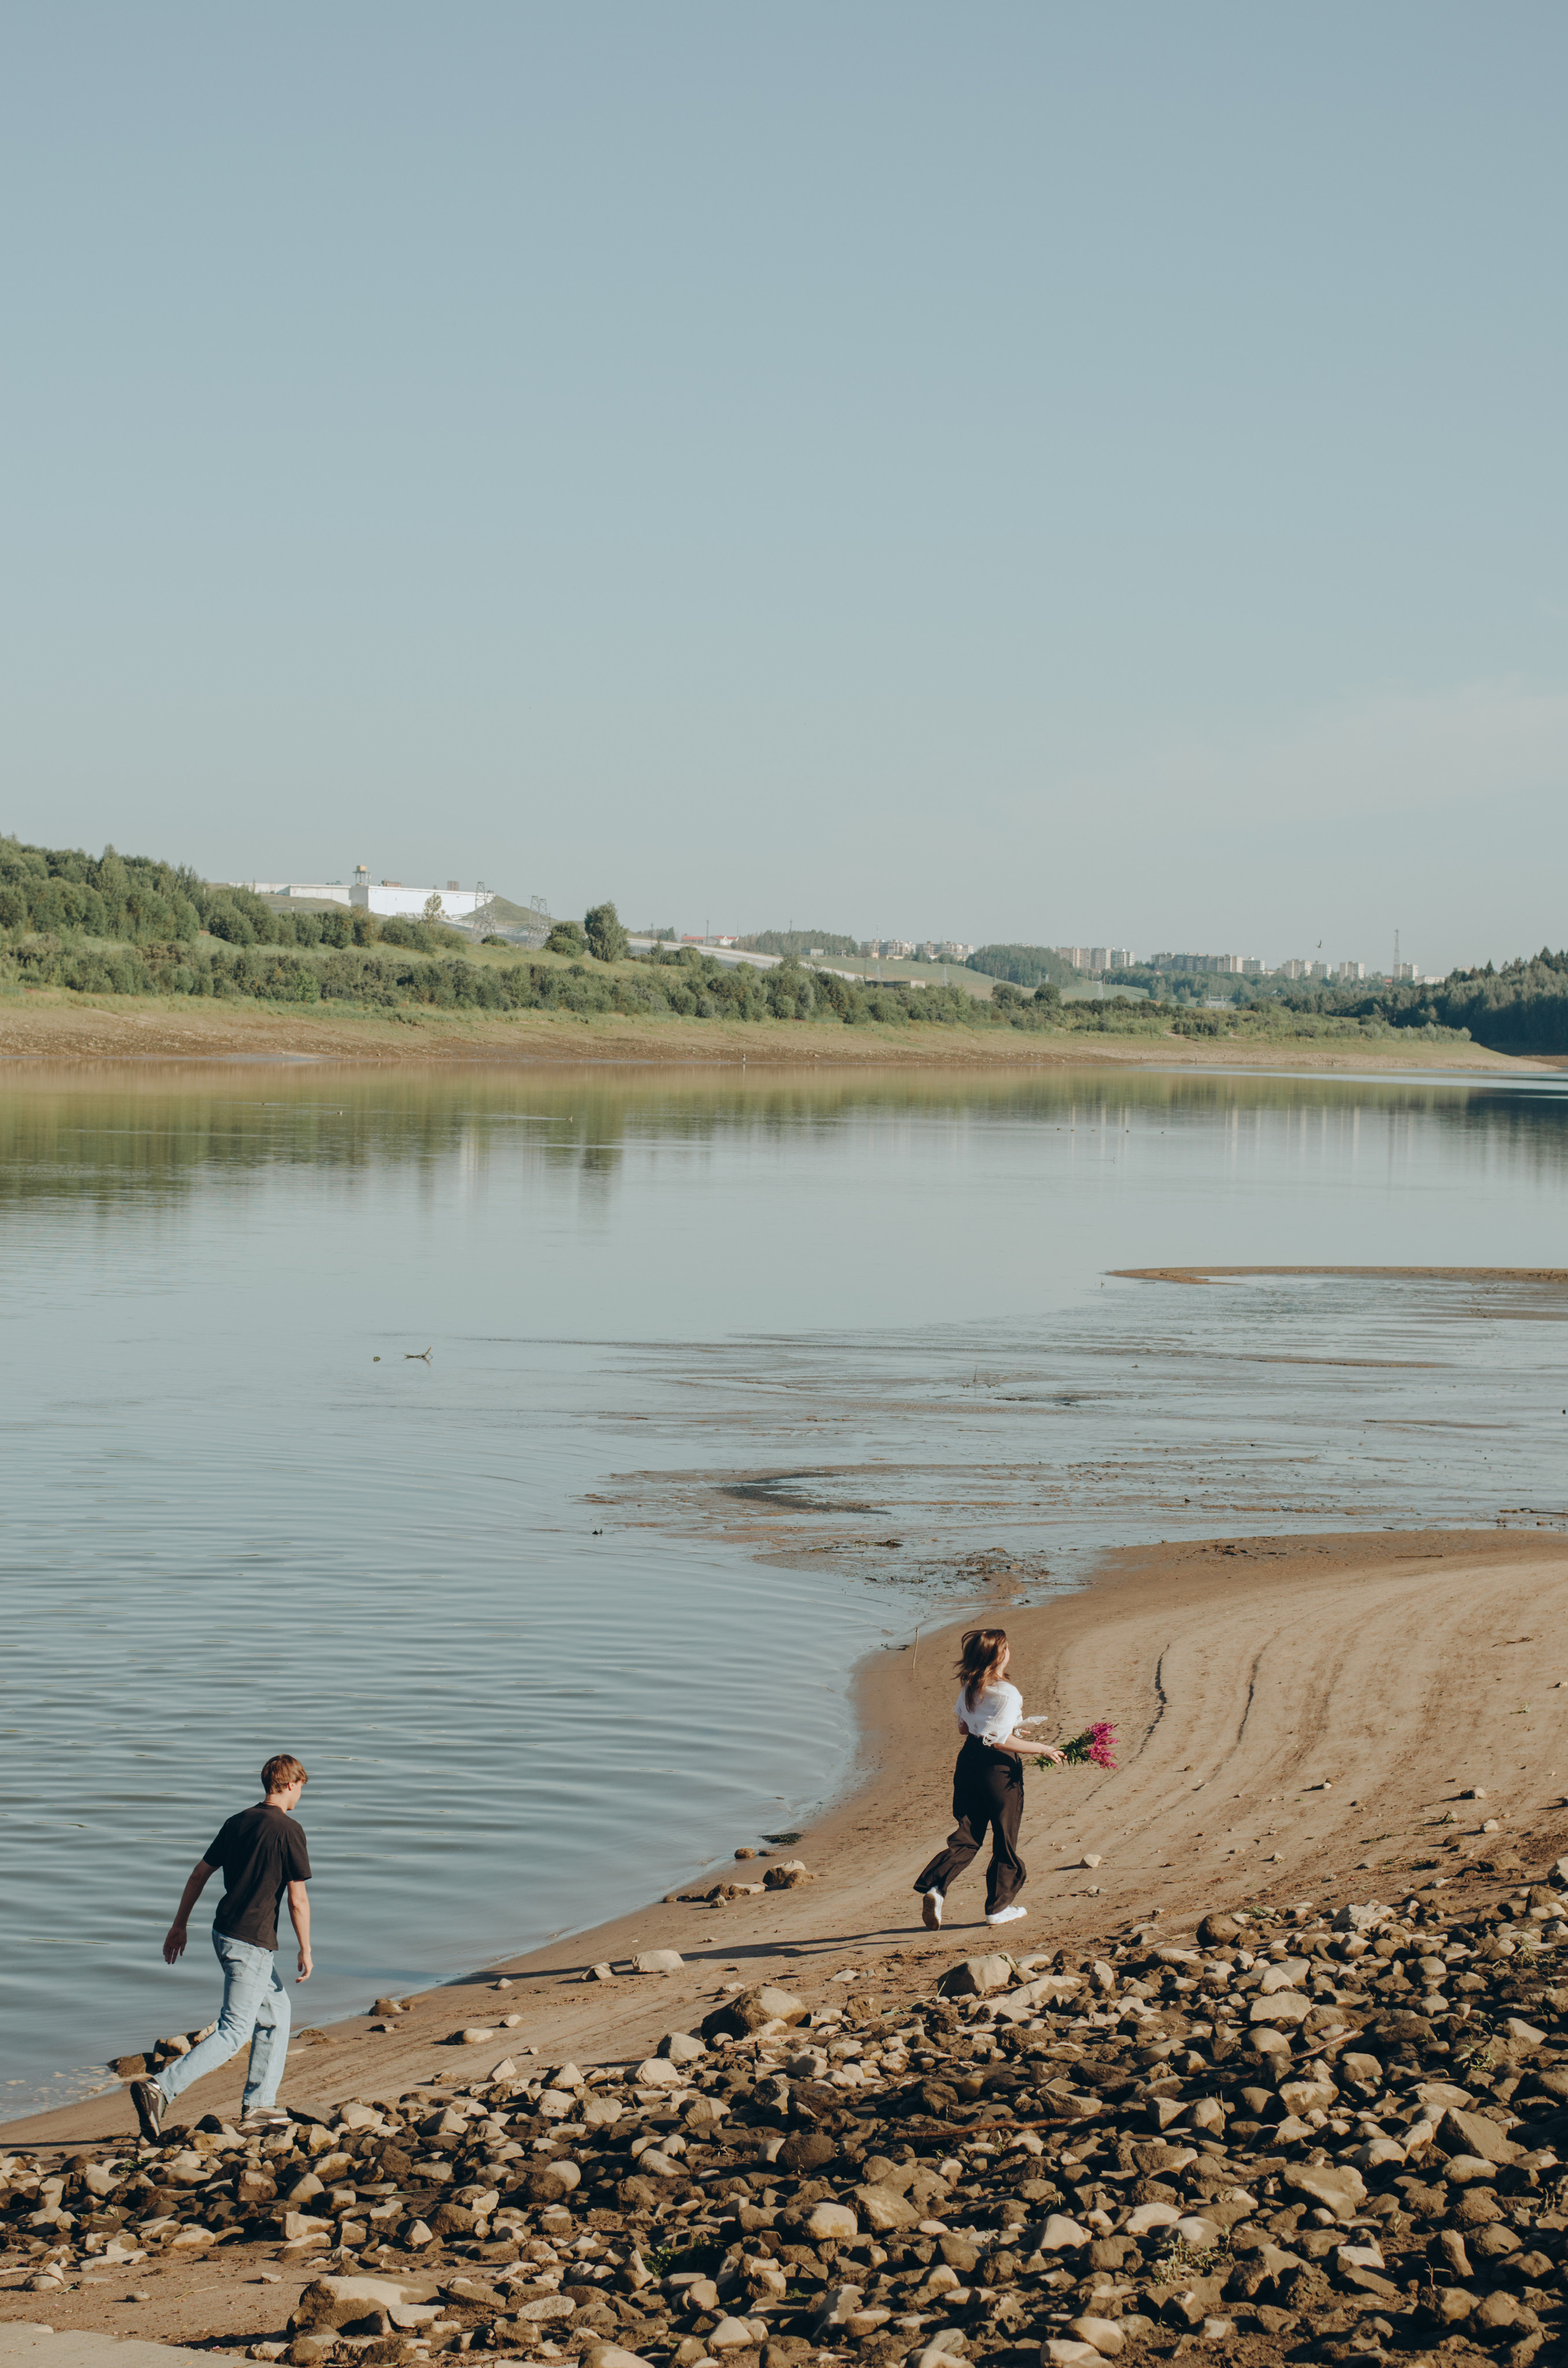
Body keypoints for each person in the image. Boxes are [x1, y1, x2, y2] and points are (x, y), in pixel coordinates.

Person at [130, 1754, 312, 2139]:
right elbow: (298, 1900)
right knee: (235, 2031)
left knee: (277, 2014)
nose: (301, 1796)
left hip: (225, 1932)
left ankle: (260, 2105)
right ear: (292, 1784)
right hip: (251, 1942)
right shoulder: (289, 1830)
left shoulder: (238, 1822)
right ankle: (160, 2087)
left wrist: (179, 1925)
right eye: (302, 1788)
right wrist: (305, 1949)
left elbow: (200, 1874)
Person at [913, 1628, 1060, 1930]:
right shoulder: (1008, 1692)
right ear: (1001, 1655)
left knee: (967, 1835)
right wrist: (1043, 1749)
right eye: (1006, 1647)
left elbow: (966, 1730)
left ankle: (935, 1888)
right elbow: (997, 1741)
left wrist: (1014, 1729)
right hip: (998, 1770)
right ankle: (998, 1908)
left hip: (968, 1763)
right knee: (1005, 1838)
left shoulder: (971, 1685)